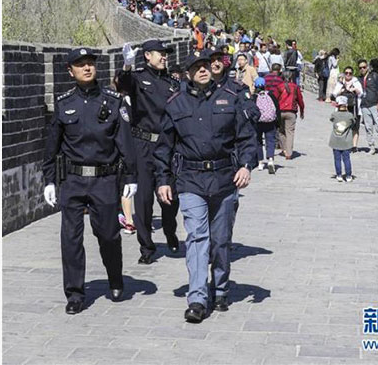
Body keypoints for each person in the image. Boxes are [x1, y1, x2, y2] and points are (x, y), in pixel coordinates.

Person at [153, 51, 257, 323]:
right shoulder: (176, 104)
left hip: (225, 178)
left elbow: (247, 137)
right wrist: (163, 180)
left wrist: (246, 165)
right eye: (196, 67)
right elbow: (164, 147)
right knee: (197, 237)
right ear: (187, 74)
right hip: (190, 180)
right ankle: (197, 298)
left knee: (220, 240)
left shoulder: (232, 99)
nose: (203, 70)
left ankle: (220, 287)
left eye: (206, 66)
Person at [42, 47, 138, 314]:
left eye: (90, 64)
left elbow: (125, 143)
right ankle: (74, 293)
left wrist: (131, 176)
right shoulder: (64, 103)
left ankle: (115, 277)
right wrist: (49, 180)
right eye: (80, 64)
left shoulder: (112, 101)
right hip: (72, 179)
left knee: (108, 235)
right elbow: (52, 146)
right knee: (70, 239)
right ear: (70, 71)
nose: (87, 68)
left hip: (104, 179)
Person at [117, 40, 182, 264]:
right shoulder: (137, 77)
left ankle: (170, 230)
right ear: (147, 55)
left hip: (167, 146)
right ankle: (147, 247)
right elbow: (122, 84)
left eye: (166, 54)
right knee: (143, 200)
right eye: (160, 53)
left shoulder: (173, 83)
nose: (164, 57)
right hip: (142, 145)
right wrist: (127, 65)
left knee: (170, 199)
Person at [358, 58, 378, 156]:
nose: (362, 69)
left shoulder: (374, 76)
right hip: (364, 105)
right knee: (368, 127)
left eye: (364, 67)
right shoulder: (359, 79)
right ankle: (371, 147)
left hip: (374, 104)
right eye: (360, 68)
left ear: (367, 67)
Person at [273, 64, 304, 159]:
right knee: (290, 132)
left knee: (281, 131)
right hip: (291, 111)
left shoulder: (279, 86)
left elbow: (274, 99)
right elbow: (300, 100)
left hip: (280, 111)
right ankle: (289, 153)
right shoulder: (295, 87)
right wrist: (302, 111)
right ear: (291, 77)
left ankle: (284, 149)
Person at [332, 65, 363, 151]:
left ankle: (354, 146)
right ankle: (343, 144)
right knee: (342, 127)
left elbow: (361, 94)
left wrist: (355, 89)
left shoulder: (356, 82)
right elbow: (333, 95)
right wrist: (340, 91)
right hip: (342, 109)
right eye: (346, 73)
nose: (348, 75)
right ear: (344, 74)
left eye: (350, 73)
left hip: (354, 108)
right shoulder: (340, 83)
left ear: (352, 74)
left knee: (355, 128)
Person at [253, 76, 278, 174]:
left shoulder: (254, 97)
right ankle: (270, 159)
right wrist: (278, 122)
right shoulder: (270, 95)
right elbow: (277, 108)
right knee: (270, 141)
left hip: (258, 122)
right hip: (270, 122)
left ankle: (260, 162)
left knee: (258, 142)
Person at [329, 96, 356, 182]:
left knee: (337, 159)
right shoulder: (350, 115)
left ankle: (339, 175)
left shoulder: (334, 114)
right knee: (346, 159)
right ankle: (348, 175)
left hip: (335, 141)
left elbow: (331, 119)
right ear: (346, 105)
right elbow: (354, 122)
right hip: (346, 141)